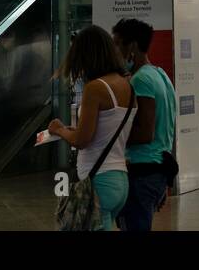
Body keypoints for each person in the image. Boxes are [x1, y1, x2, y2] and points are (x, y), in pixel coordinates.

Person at [48, 26, 136, 231]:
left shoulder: (96, 88)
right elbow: (104, 130)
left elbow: (81, 140)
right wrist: (73, 130)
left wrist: (59, 130)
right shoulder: (127, 86)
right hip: (120, 180)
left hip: (98, 182)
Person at [112, 17, 178, 231]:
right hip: (157, 168)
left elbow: (145, 133)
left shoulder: (141, 80)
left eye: (117, 43)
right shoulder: (160, 75)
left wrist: (110, 138)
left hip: (143, 171)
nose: (115, 50)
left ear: (131, 46)